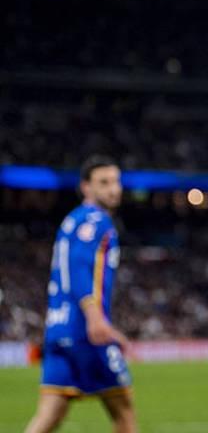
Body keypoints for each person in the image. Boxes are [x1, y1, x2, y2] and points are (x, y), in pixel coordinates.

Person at [24, 156, 137, 433]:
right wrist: (95, 317)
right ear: (86, 187)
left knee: (50, 414)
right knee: (124, 412)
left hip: (57, 327)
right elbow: (78, 265)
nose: (114, 189)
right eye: (104, 183)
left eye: (116, 182)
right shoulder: (97, 221)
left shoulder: (71, 220)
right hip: (85, 330)